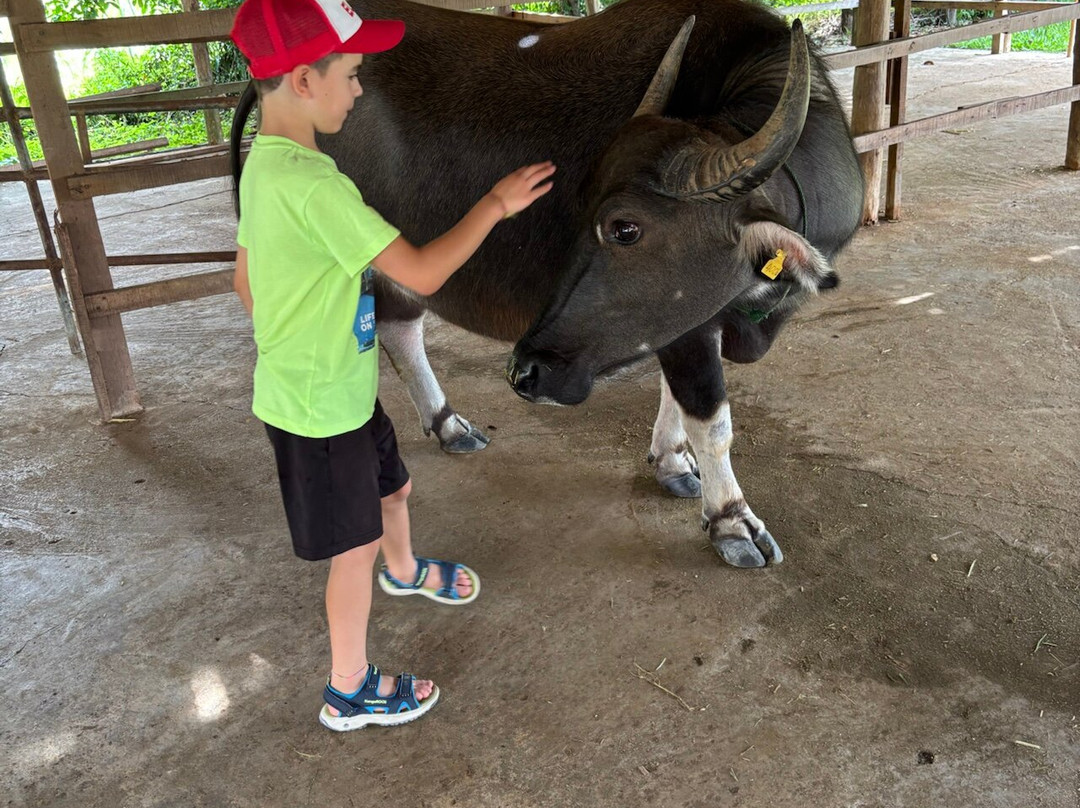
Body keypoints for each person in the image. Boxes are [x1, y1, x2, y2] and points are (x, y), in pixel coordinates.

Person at [229, 0, 555, 731]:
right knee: (355, 548)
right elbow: (425, 272)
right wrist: (496, 204)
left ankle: (404, 572)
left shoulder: (270, 165)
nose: (359, 89)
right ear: (305, 82)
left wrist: (303, 334)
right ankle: (349, 691)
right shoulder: (319, 189)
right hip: (320, 411)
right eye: (350, 74)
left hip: (334, 386)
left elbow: (244, 281)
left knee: (395, 488)